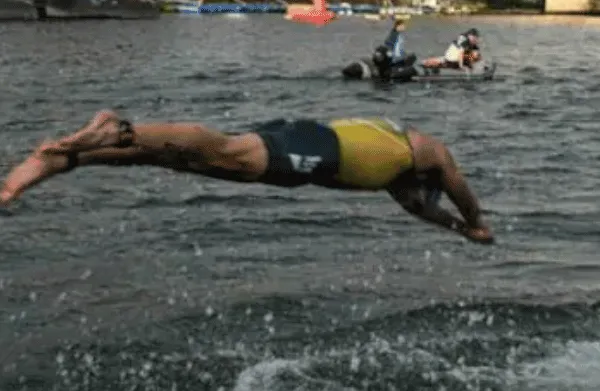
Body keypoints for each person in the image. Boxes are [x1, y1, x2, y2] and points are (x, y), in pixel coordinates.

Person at [0, 111, 494, 244]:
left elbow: (429, 210)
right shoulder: (422, 150)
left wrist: (461, 231)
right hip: (319, 148)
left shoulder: (398, 179)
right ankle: (118, 127)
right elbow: (456, 185)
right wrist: (474, 220)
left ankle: (51, 168)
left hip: (311, 147)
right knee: (224, 150)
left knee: (179, 159)